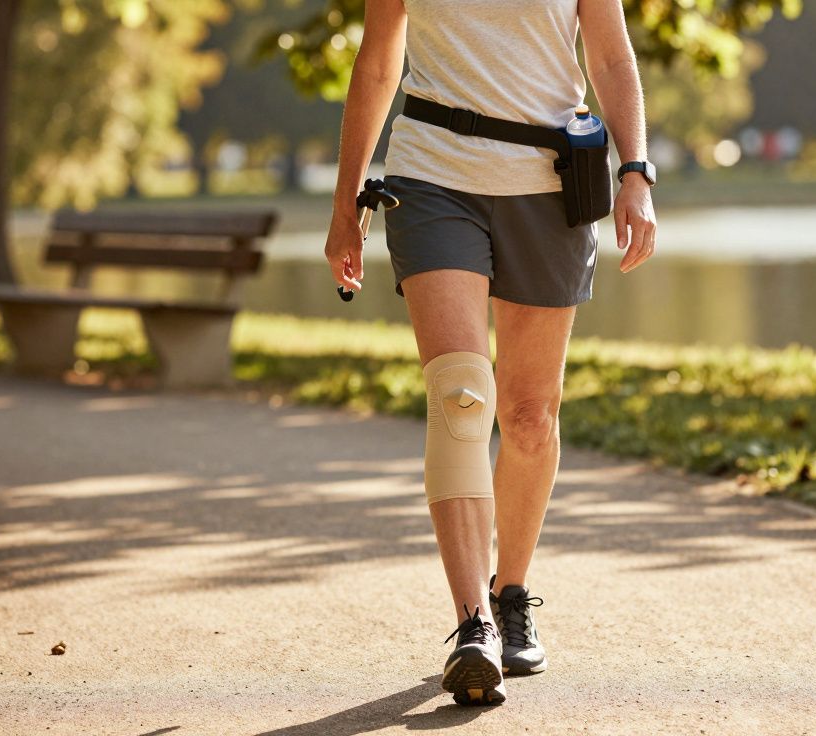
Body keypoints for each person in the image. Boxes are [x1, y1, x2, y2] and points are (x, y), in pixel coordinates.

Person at [324, 0, 657, 706]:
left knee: (531, 416)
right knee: (461, 398)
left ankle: (512, 593)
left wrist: (636, 172)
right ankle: (471, 623)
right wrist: (346, 199)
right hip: (433, 176)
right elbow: (380, 59)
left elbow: (610, 58)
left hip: (551, 183)